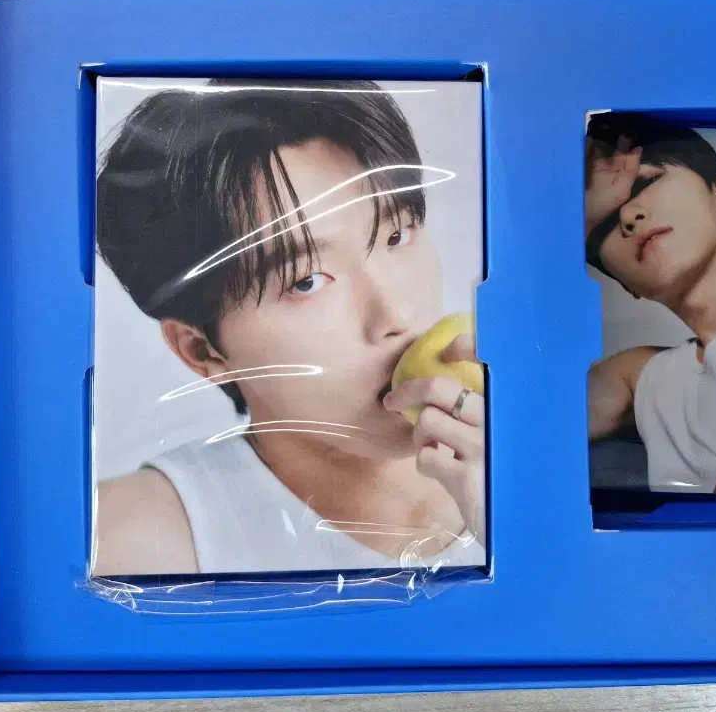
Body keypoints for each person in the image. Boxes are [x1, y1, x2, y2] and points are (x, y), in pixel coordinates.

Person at [93, 80, 485, 576]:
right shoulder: (127, 542)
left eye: (396, 235)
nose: (398, 316)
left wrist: (533, 521)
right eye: (306, 281)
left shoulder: (549, 453)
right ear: (203, 351)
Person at [585, 125, 716, 495]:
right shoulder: (644, 374)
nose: (628, 216)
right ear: (626, 285)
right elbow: (527, 424)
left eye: (644, 184)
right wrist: (575, 225)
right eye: (605, 224)